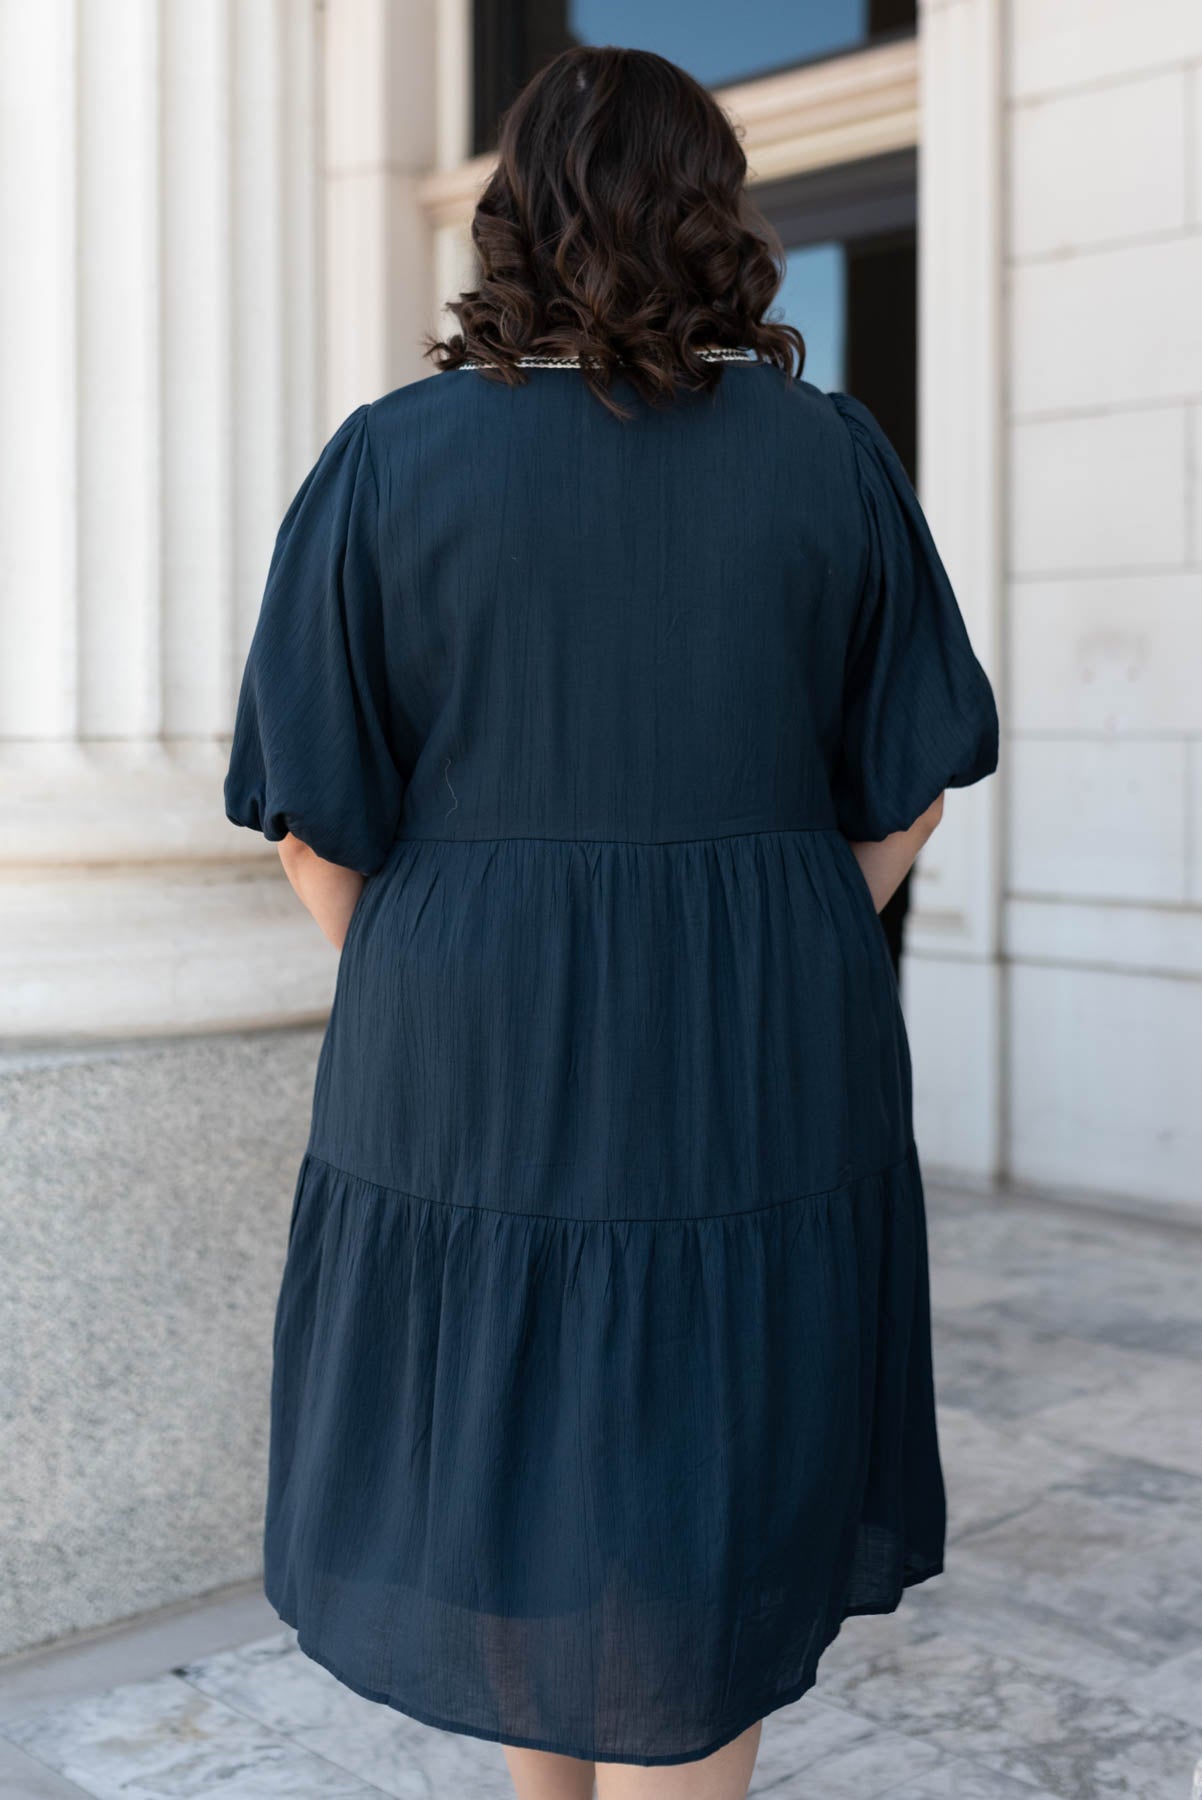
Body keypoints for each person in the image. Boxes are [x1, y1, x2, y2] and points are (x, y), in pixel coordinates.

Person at [223, 43, 999, 1800]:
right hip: (758, 1033)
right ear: (714, 211)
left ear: (514, 217)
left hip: (462, 1035)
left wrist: (445, 971)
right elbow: (910, 786)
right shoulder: (828, 457)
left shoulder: (389, 461)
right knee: (704, 1472)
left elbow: (307, 820)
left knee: (518, 1459)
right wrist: (791, 918)